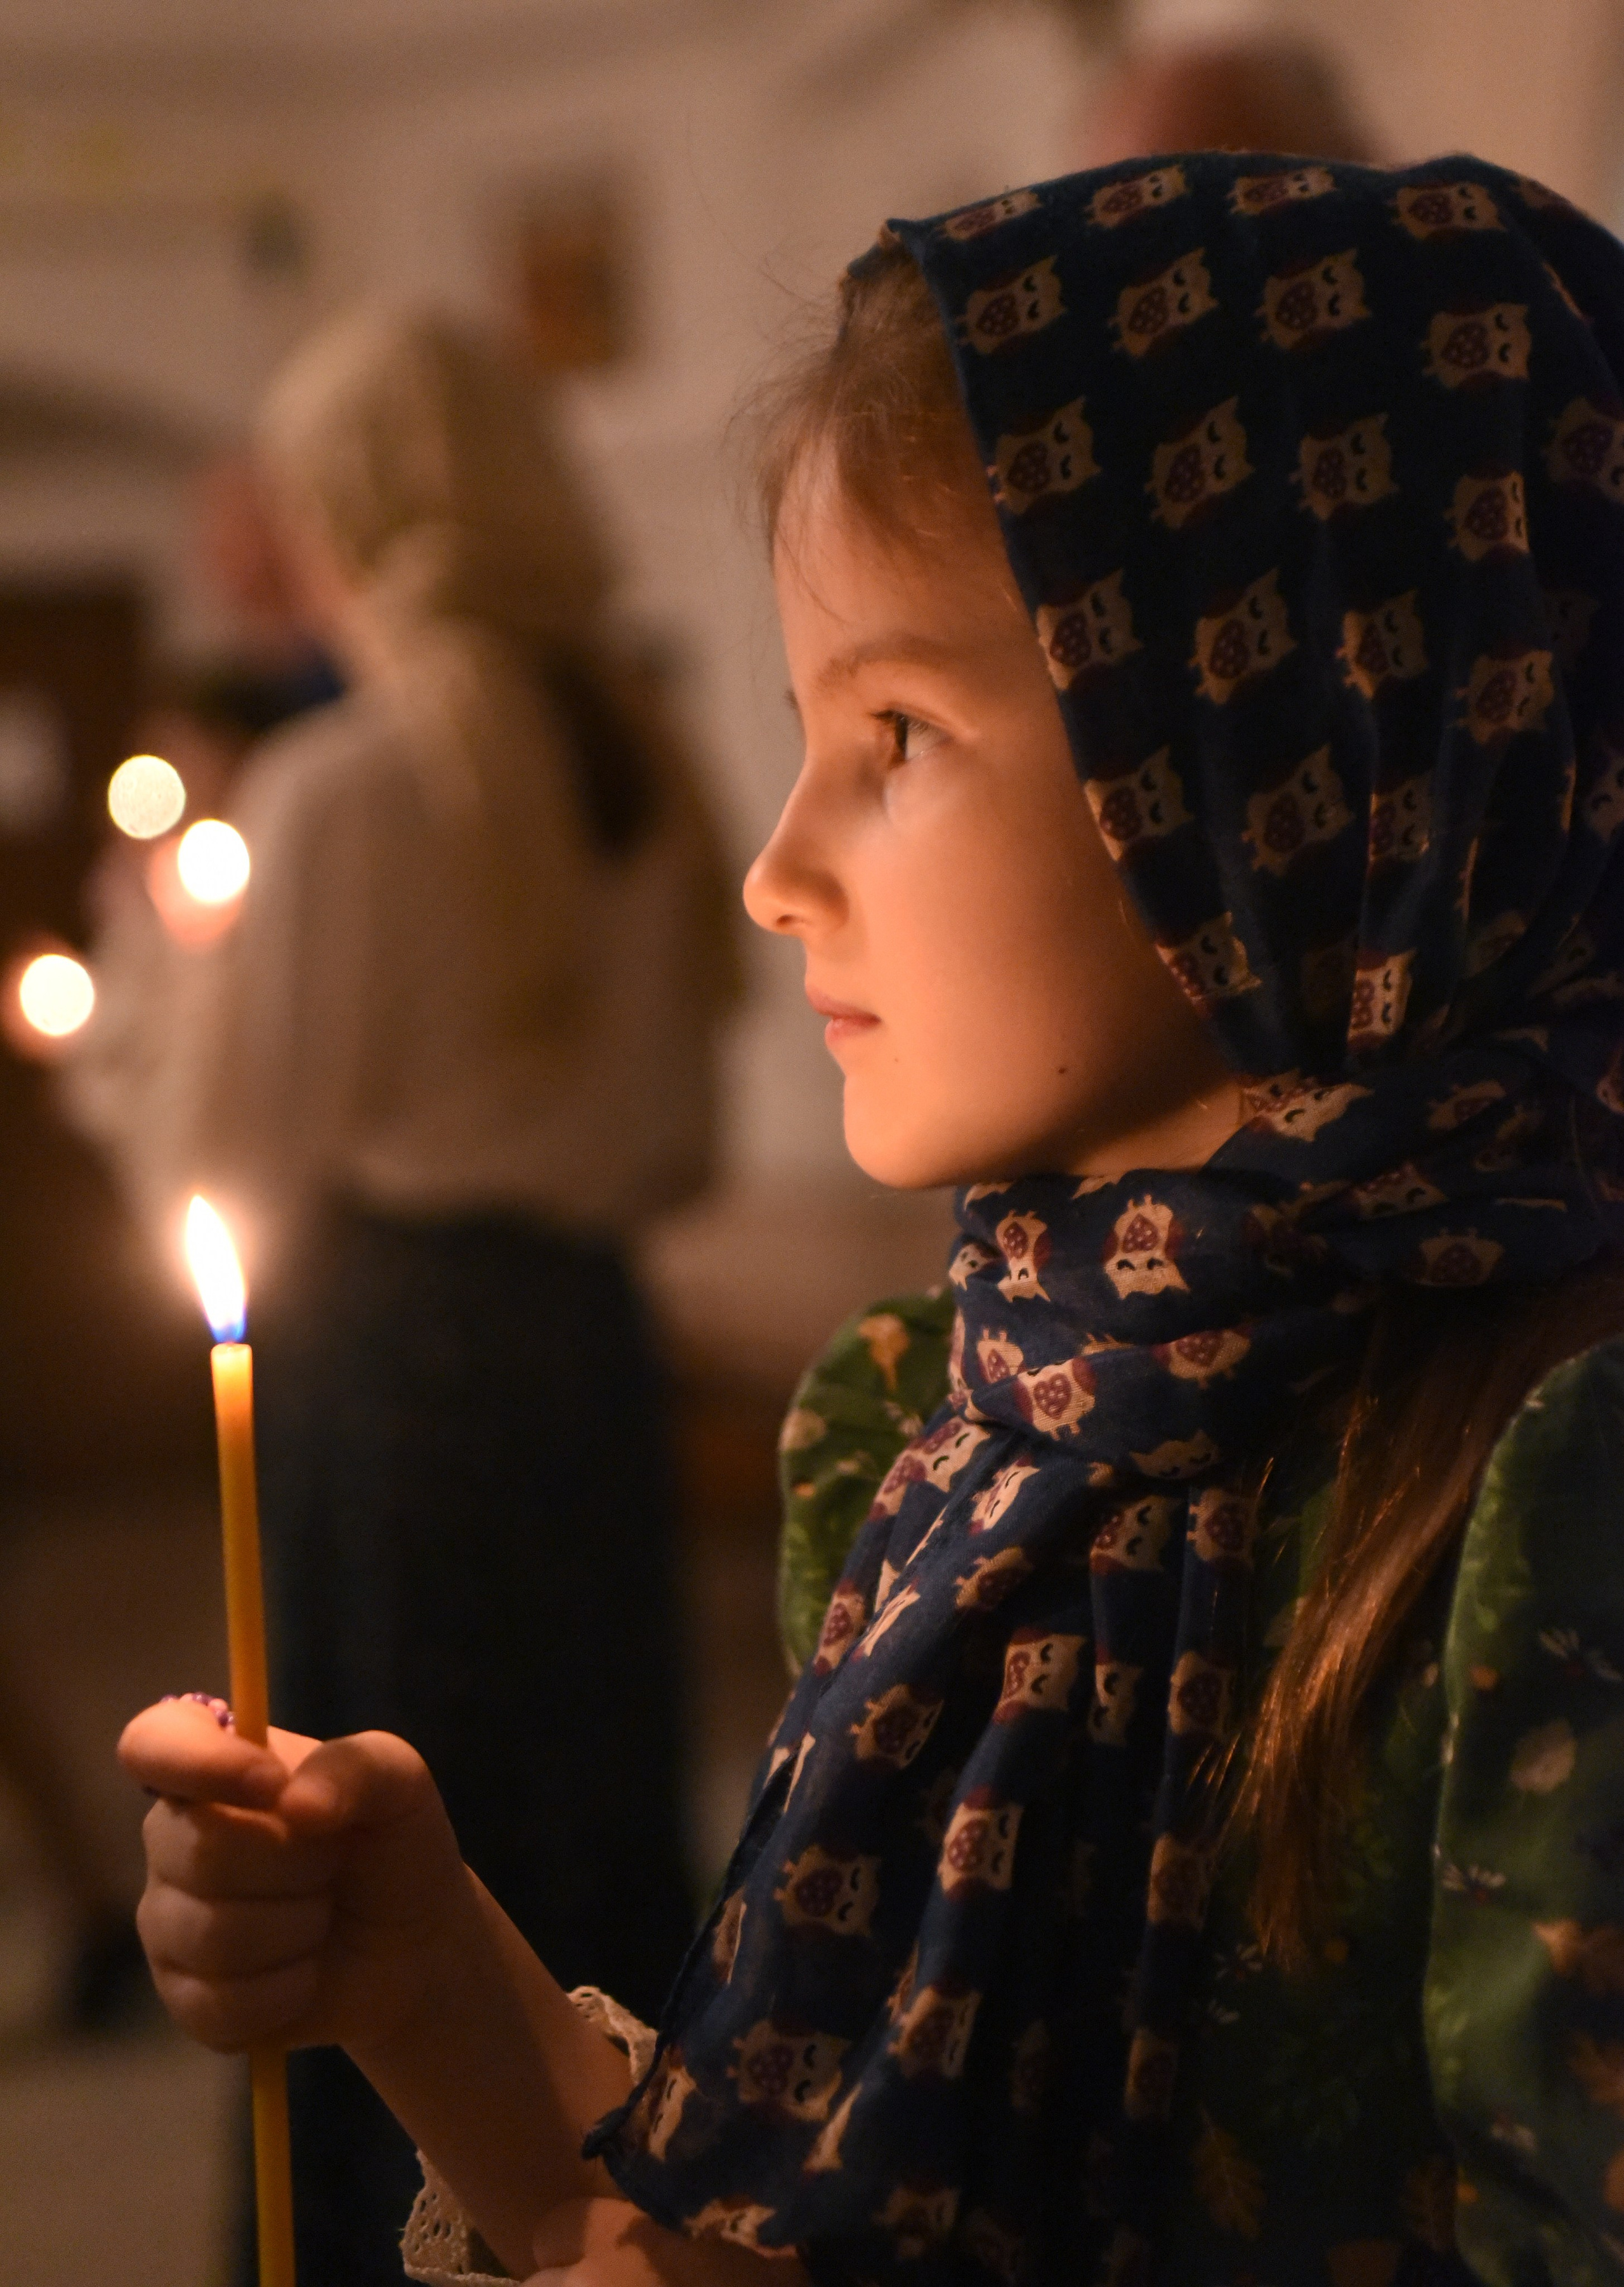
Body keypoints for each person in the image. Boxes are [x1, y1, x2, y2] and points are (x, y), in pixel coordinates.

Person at [119, 154, 1624, 2283]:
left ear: (1306, 738)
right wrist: (431, 1985)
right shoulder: (937, 1419)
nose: (778, 865)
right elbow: (796, 2199)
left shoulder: (1560, 1490)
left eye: (897, 733)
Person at [78, 310, 738, 2283]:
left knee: (357, 1879)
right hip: (580, 1342)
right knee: (586, 1836)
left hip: (391, 1365)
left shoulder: (351, 782)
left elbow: (235, 1166)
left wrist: (130, 1005)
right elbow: (687, 1143)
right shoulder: (649, 756)